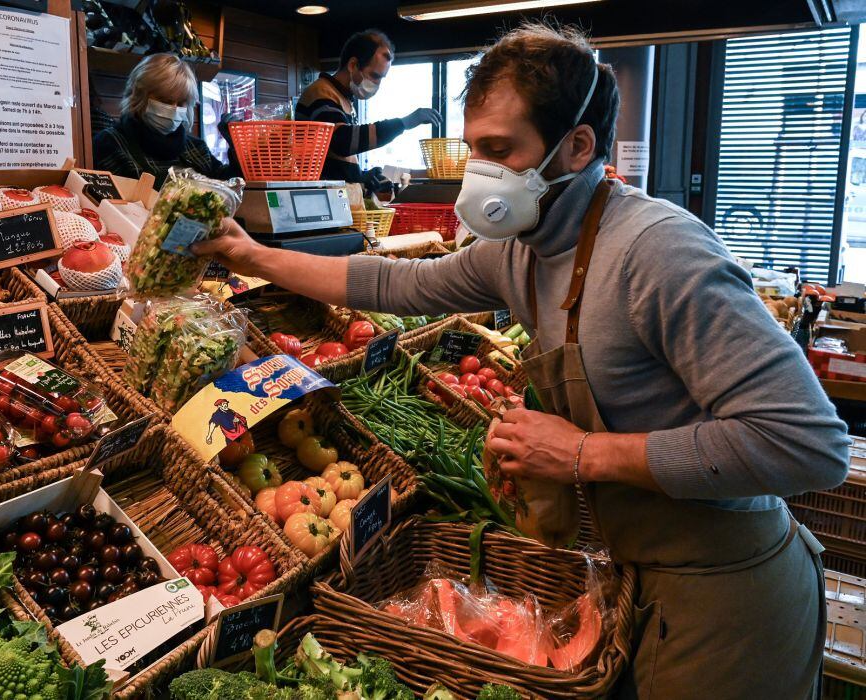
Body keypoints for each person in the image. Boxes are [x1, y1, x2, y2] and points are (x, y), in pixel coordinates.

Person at [195, 22, 850, 699]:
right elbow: (393, 284)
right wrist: (252, 256)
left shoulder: (658, 254)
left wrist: (582, 455)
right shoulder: (520, 250)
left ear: (576, 146)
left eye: (500, 150)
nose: (478, 172)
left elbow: (808, 445)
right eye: (475, 148)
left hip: (727, 597)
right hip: (629, 580)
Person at [296, 29, 441, 190]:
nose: (377, 84)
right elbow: (341, 141)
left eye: (381, 78)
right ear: (353, 65)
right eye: (374, 75)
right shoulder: (321, 93)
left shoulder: (344, 99)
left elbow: (336, 160)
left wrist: (362, 177)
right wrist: (403, 123)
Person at [93, 53, 237, 188]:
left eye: (181, 103)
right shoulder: (110, 144)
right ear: (139, 96)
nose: (173, 109)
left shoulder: (196, 149)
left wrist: (237, 148)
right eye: (164, 100)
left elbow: (228, 188)